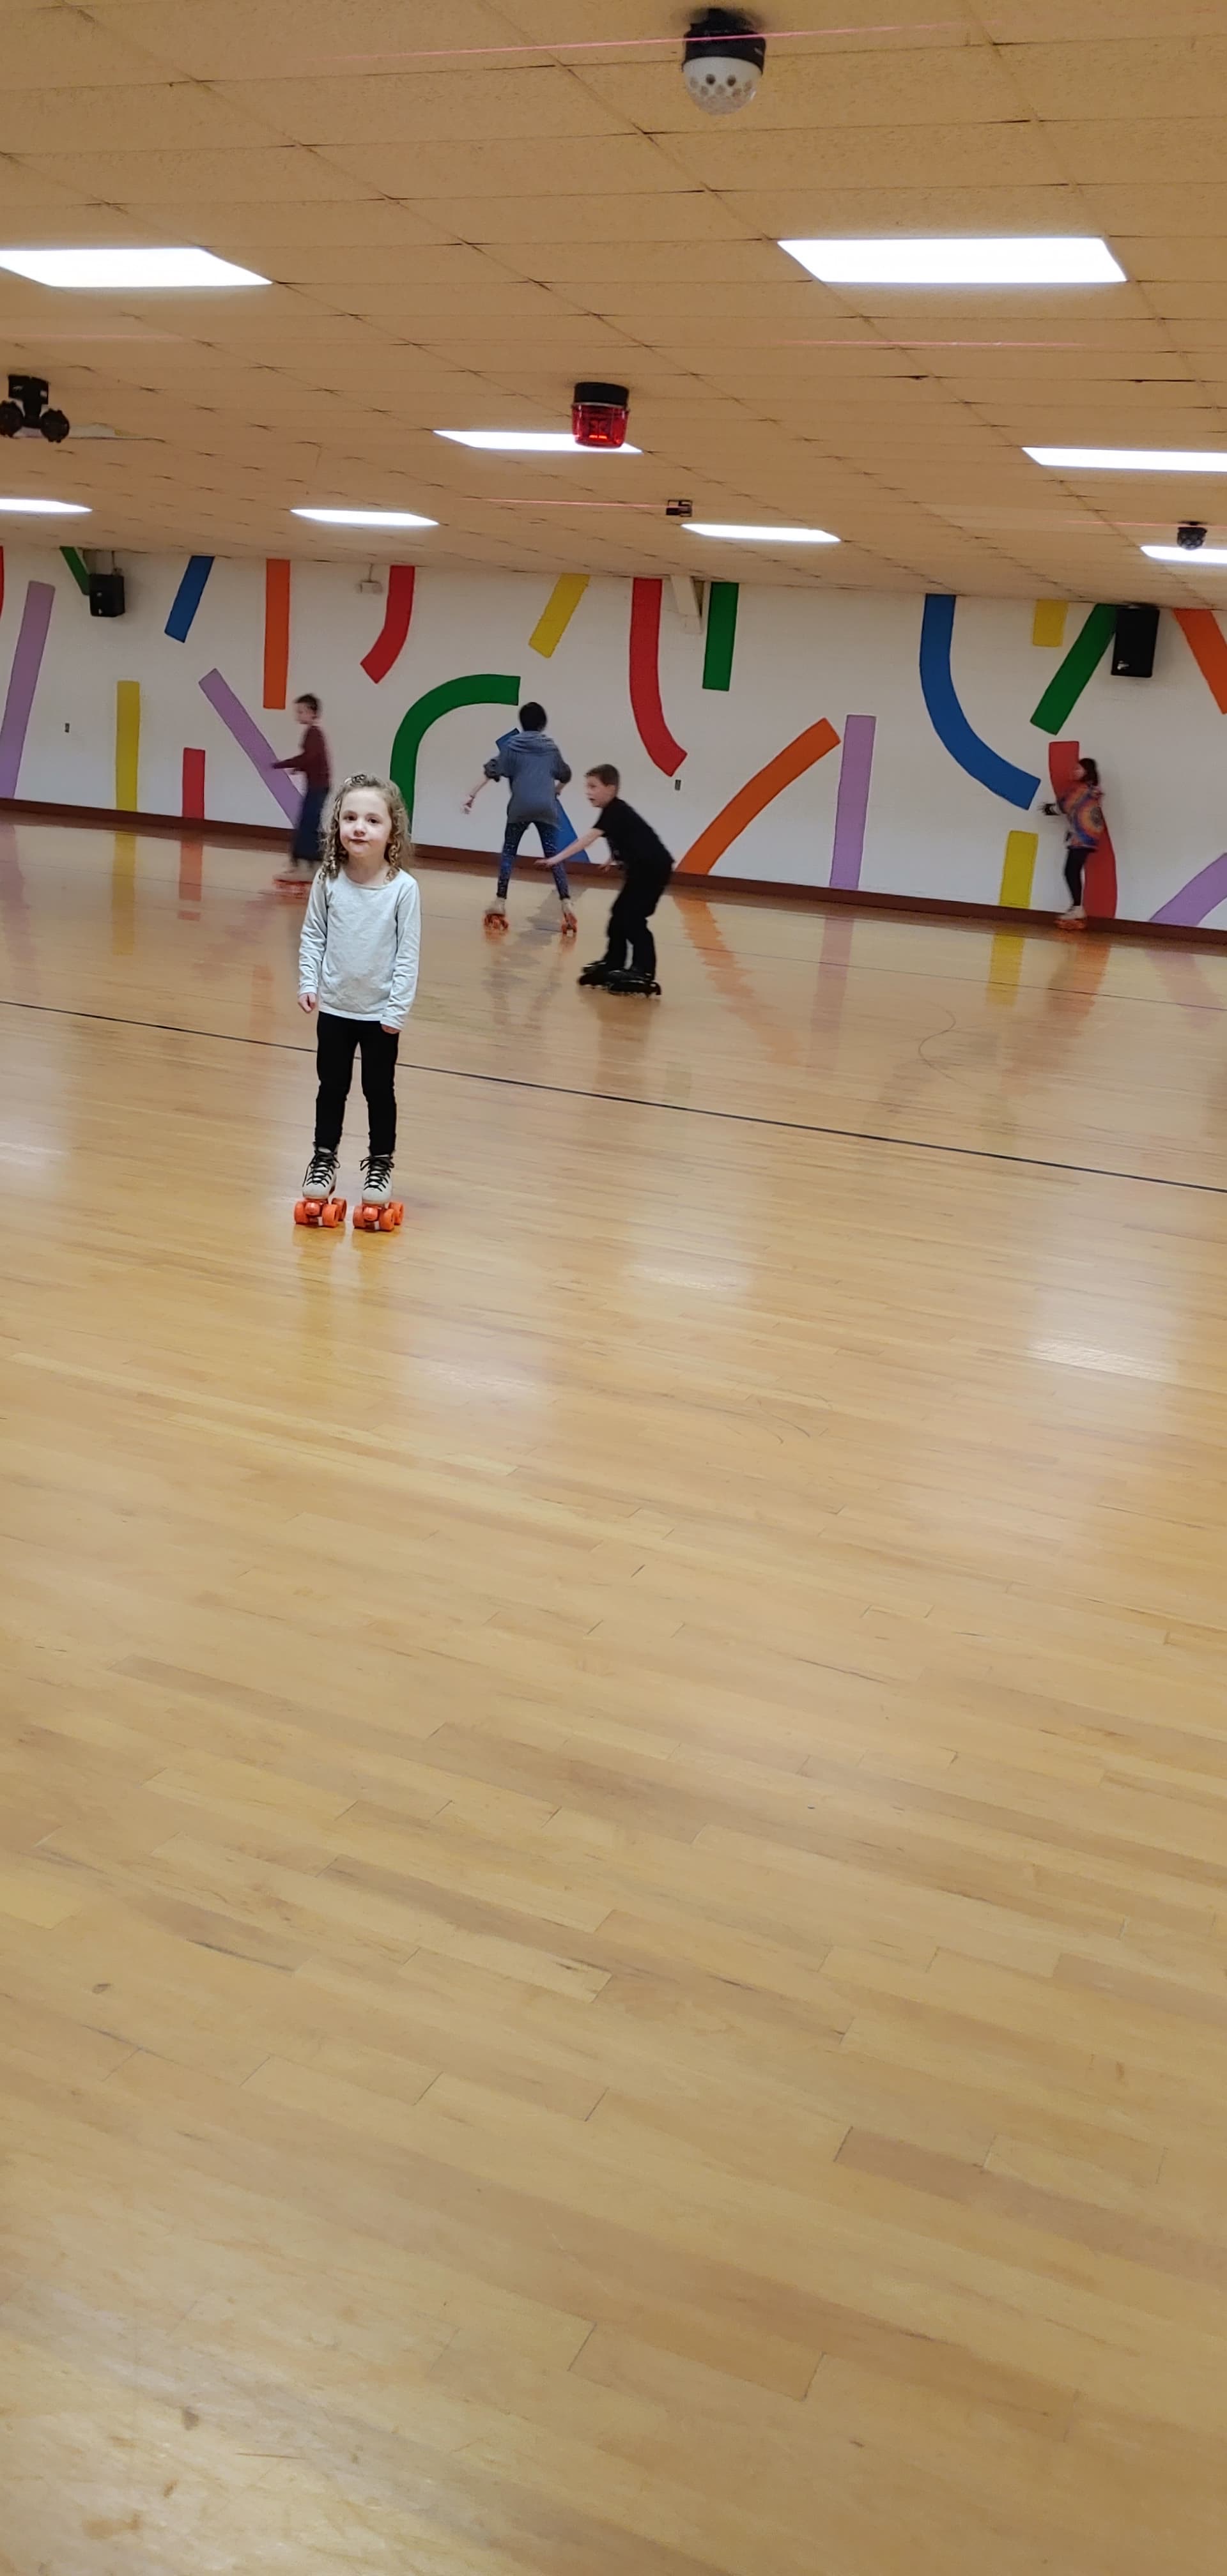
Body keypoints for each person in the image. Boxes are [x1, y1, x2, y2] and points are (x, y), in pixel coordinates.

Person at [297, 773, 420, 1209]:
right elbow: (314, 934)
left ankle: (380, 1162)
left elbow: (407, 954)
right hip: (335, 1007)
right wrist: (308, 981)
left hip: (379, 1015)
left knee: (378, 1090)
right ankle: (323, 1157)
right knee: (331, 1087)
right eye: (350, 818)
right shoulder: (328, 879)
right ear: (337, 826)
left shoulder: (403, 889)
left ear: (392, 831)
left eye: (372, 820)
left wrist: (396, 1009)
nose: (359, 828)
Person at [546, 764, 674, 995]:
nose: (588, 792)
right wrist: (613, 857)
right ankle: (614, 961)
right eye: (587, 787)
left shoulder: (616, 811)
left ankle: (644, 971)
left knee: (633, 919)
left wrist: (557, 858)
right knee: (619, 915)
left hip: (653, 870)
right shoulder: (614, 812)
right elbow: (629, 836)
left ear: (611, 789)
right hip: (642, 870)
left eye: (593, 787)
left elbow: (588, 839)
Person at [463, 700, 576, 934]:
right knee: (553, 855)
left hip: (520, 808)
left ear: (522, 723)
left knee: (509, 853)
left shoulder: (513, 746)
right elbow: (566, 774)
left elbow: (491, 770)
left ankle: (500, 901)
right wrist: (557, 790)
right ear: (543, 724)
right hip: (546, 808)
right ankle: (566, 903)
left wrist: (472, 794)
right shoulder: (550, 748)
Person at [1043, 757, 1105, 929]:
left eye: (1078, 769)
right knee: (1073, 870)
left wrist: (1050, 809)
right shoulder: (1092, 790)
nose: (1074, 772)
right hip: (1089, 835)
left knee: (1070, 870)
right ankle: (1077, 908)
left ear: (1087, 771)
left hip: (1082, 836)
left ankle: (1077, 908)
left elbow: (1066, 805)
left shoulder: (1081, 789)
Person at [274, 692, 332, 869]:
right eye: (297, 712)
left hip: (318, 787)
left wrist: (282, 764)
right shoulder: (313, 733)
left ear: (312, 713)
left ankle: (308, 861)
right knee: (308, 821)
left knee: (309, 822)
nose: (298, 715)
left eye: (301, 712)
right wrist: (299, 768)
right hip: (317, 786)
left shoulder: (313, 734)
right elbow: (312, 760)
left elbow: (309, 758)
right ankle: (305, 860)